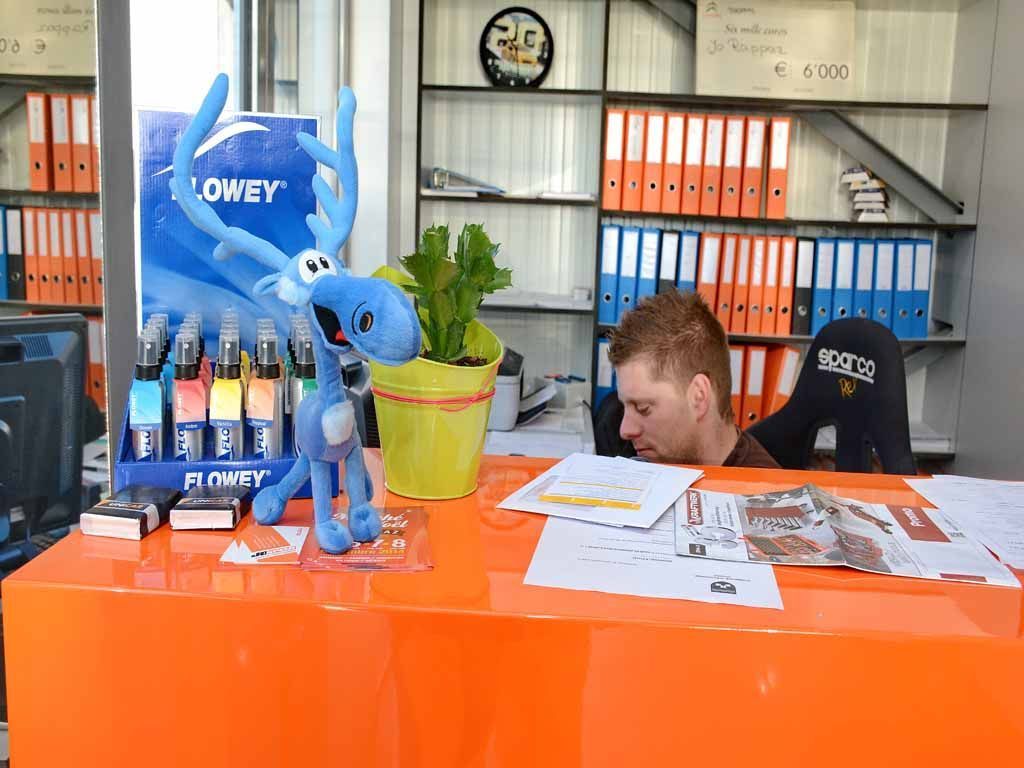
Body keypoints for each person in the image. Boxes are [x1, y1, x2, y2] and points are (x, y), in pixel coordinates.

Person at [607, 290, 780, 468]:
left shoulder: (763, 493)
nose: (625, 430)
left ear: (699, 397)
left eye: (643, 408)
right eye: (624, 407)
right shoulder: (667, 465)